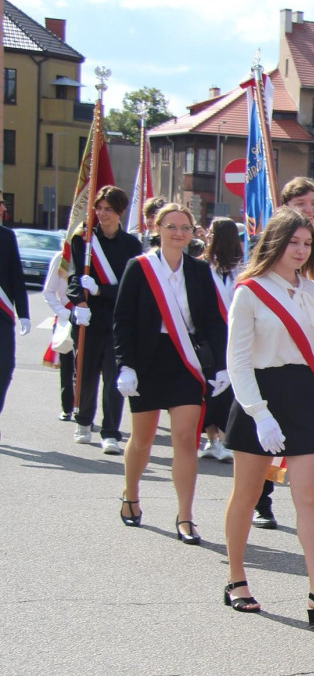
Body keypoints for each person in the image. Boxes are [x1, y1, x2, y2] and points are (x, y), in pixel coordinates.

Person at [222, 206, 314, 620]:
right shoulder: (250, 291)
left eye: (306, 243)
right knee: (246, 495)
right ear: (275, 243)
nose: (300, 250)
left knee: (309, 499)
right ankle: (236, 578)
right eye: (293, 242)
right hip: (260, 396)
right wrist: (259, 414)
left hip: (304, 396)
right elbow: (238, 362)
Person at [112, 203, 228, 543]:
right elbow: (123, 322)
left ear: (194, 233)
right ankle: (131, 493)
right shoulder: (140, 268)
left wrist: (220, 366)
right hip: (147, 363)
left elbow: (212, 322)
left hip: (185, 363)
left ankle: (186, 515)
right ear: (157, 229)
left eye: (186, 227)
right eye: (171, 226)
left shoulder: (199, 270)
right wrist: (125, 365)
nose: (179, 233)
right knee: (143, 439)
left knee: (184, 439)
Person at [252, 177, 314, 537]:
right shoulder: (270, 256)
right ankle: (262, 502)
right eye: (302, 203)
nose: (310, 209)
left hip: (308, 367)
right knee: (266, 446)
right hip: (271, 372)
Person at [67, 186, 144, 454]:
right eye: (98, 208)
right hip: (89, 318)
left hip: (117, 319)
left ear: (120, 211)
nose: (101, 214)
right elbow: (74, 276)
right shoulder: (84, 240)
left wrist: (101, 289)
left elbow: (131, 286)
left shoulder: (132, 245)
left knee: (114, 375)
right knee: (86, 373)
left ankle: (111, 431)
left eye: (108, 209)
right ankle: (84, 421)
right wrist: (80, 301)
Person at [197, 217, 243, 463]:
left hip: (233, 336)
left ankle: (226, 438)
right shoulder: (202, 268)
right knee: (209, 389)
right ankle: (211, 438)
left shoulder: (243, 270)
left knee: (230, 390)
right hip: (208, 338)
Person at [0, 208, 30, 439]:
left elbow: (16, 276)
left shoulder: (7, 236)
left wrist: (24, 313)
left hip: (2, 315)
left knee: (5, 367)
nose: (4, 208)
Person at [41, 252, 76, 421]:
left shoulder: (96, 255)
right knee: (67, 365)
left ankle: (84, 410)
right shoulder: (62, 258)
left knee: (87, 368)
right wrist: (63, 312)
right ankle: (67, 407)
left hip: (90, 318)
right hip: (66, 317)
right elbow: (48, 292)